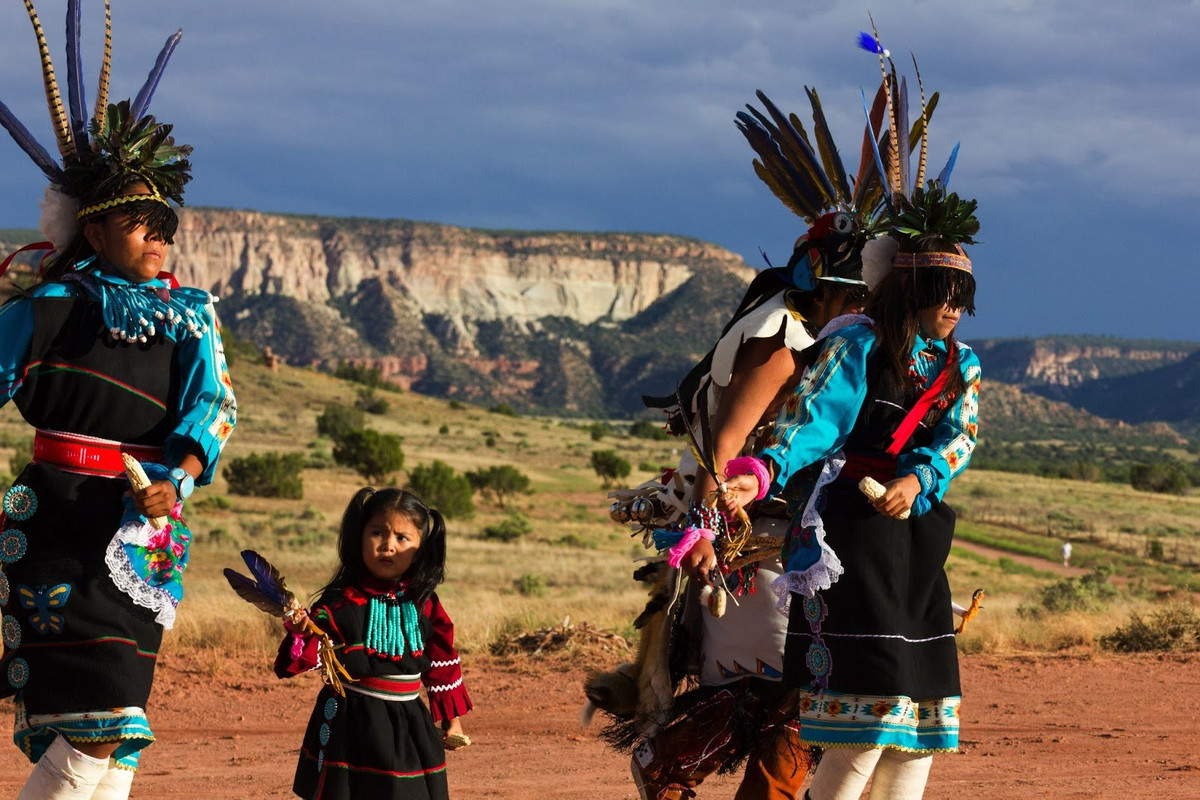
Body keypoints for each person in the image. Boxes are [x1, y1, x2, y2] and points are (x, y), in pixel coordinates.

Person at [596, 82, 890, 800]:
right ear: (829, 287)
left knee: (775, 714)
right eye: (856, 295)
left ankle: (665, 765)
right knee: (788, 712)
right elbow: (726, 449)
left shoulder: (791, 336)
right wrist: (704, 527)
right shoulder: (781, 341)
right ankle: (665, 764)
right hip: (762, 555)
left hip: (767, 552)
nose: (862, 310)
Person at [720, 42, 982, 798]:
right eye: (940, 291)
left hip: (914, 544)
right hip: (849, 543)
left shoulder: (958, 367)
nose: (951, 310)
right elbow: (812, 422)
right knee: (862, 733)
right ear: (905, 285)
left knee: (916, 737)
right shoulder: (858, 345)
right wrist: (756, 472)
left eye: (961, 298)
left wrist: (921, 478)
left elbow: (957, 437)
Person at [0, 6, 235, 798]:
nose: (156, 233)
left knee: (121, 737)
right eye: (137, 220)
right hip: (59, 522)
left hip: (145, 532)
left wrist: (184, 475)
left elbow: (214, 407)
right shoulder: (50, 306)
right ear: (93, 231)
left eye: (163, 220)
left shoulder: (193, 316)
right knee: (96, 726)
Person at [275, 488, 472, 800]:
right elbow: (306, 658)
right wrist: (302, 633)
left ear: (420, 548)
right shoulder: (340, 601)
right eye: (377, 533)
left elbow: (442, 665)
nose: (387, 546)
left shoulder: (425, 604)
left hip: (408, 723)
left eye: (401, 538)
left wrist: (454, 723)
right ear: (359, 537)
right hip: (350, 721)